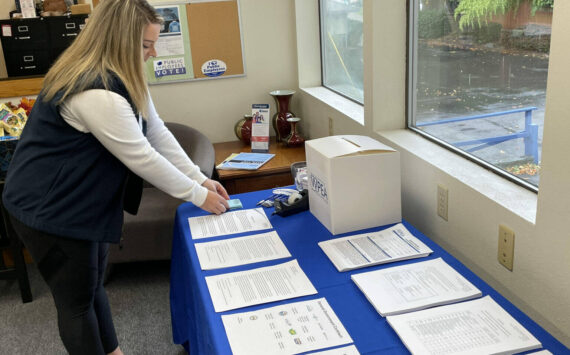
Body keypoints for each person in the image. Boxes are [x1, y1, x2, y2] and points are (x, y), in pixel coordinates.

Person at [2, 0, 229, 354]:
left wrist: (198, 178)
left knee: (93, 286)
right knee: (76, 302)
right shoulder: (94, 90)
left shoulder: (123, 75)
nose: (152, 54)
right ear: (118, 39)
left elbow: (156, 131)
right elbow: (142, 157)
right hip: (47, 209)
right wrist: (197, 195)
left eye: (154, 43)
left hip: (82, 200)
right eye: (145, 45)